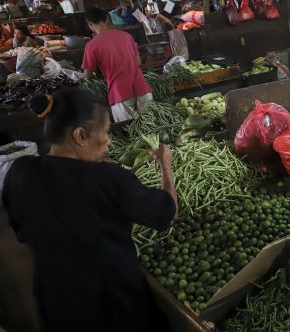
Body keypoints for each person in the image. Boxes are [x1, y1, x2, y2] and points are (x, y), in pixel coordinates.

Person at [2, 88, 178, 332]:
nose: (108, 142)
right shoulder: (108, 178)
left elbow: (22, 231)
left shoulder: (19, 173)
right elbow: (166, 212)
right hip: (113, 306)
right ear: (80, 135)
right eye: (106, 132)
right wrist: (165, 167)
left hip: (56, 303)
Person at [82, 7, 154, 123]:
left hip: (119, 92)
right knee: (151, 128)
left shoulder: (91, 45)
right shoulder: (126, 36)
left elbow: (87, 75)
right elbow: (138, 62)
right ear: (106, 20)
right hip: (142, 87)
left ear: (89, 24)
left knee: (129, 132)